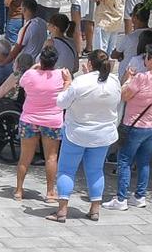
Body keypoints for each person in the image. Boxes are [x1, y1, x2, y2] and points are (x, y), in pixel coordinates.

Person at [52, 49, 122, 222]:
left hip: (77, 132)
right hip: (103, 133)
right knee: (96, 171)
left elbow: (61, 102)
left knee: (66, 170)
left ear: (89, 64)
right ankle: (95, 209)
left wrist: (68, 83)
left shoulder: (80, 82)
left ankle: (62, 211)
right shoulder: (114, 81)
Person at [107, 43, 152, 210]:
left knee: (124, 160)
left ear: (150, 59)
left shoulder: (142, 78)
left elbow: (124, 95)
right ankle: (140, 196)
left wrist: (128, 78)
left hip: (135, 124)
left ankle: (121, 199)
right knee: (144, 161)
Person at [10, 41, 70, 203]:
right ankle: (50, 192)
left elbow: (21, 82)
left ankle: (18, 190)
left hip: (29, 119)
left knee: (25, 156)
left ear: (41, 60)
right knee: (51, 157)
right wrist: (68, 81)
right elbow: (66, 95)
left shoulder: (30, 75)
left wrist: (33, 68)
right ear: (55, 61)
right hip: (52, 120)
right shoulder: (60, 76)